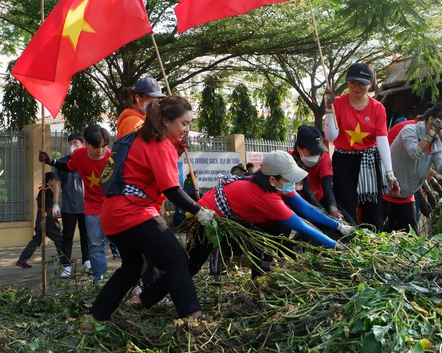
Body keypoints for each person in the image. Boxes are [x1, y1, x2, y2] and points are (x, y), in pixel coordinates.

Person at [129, 150, 353, 311]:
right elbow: (301, 224)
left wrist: (338, 226)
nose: (293, 185)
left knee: (261, 249)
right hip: (208, 220)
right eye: (289, 179)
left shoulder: (274, 185)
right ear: (273, 179)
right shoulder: (264, 197)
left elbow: (305, 208)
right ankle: (144, 299)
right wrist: (334, 244)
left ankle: (259, 295)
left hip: (234, 218)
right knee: (189, 266)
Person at [85, 95, 216, 325]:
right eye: (184, 123)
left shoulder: (140, 138)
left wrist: (175, 150)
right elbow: (172, 190)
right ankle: (193, 316)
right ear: (166, 120)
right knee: (175, 257)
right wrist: (199, 211)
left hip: (112, 215)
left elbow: (147, 173)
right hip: (134, 212)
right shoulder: (160, 143)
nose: (187, 129)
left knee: (133, 268)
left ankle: (94, 319)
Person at [324, 62, 400, 230]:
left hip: (369, 159)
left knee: (372, 205)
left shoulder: (377, 108)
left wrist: (389, 173)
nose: (356, 87)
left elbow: (382, 140)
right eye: (352, 83)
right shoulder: (338, 103)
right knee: (345, 204)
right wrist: (329, 111)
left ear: (370, 85)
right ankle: (348, 238)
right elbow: (331, 136)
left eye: (361, 83)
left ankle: (373, 240)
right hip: (343, 159)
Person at [40, 125, 111, 284]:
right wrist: (51, 161)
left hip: (112, 205)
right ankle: (98, 280)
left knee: (122, 243)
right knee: (94, 244)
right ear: (87, 144)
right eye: (96, 146)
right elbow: (68, 167)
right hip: (91, 206)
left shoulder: (111, 156)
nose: (100, 150)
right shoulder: (78, 156)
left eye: (103, 146)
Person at [384, 104, 442, 233]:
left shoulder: (438, 140)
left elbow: (440, 163)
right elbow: (414, 153)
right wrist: (431, 134)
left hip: (406, 194)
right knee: (379, 234)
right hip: (386, 191)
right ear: (431, 119)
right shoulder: (409, 130)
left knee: (408, 236)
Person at [52, 133, 90, 278]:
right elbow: (57, 183)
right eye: (70, 143)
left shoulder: (88, 160)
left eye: (76, 143)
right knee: (67, 236)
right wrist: (55, 204)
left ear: (83, 144)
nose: (73, 145)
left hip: (86, 206)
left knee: (86, 235)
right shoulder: (63, 162)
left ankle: (87, 261)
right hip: (68, 207)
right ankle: (66, 265)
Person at [290, 125, 346, 221]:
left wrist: (333, 209)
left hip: (320, 199)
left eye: (318, 152)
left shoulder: (324, 159)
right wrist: (323, 213)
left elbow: (327, 187)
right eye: (312, 153)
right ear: (299, 149)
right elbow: (306, 190)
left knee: (348, 220)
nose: (316, 156)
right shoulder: (289, 160)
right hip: (295, 201)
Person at [16, 172, 70, 269]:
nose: (55, 182)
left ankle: (22, 260)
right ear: (50, 180)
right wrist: (51, 217)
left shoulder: (42, 191)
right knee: (59, 238)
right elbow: (48, 207)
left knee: (37, 240)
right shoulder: (48, 192)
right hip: (47, 218)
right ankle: (64, 260)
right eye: (54, 180)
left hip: (40, 218)